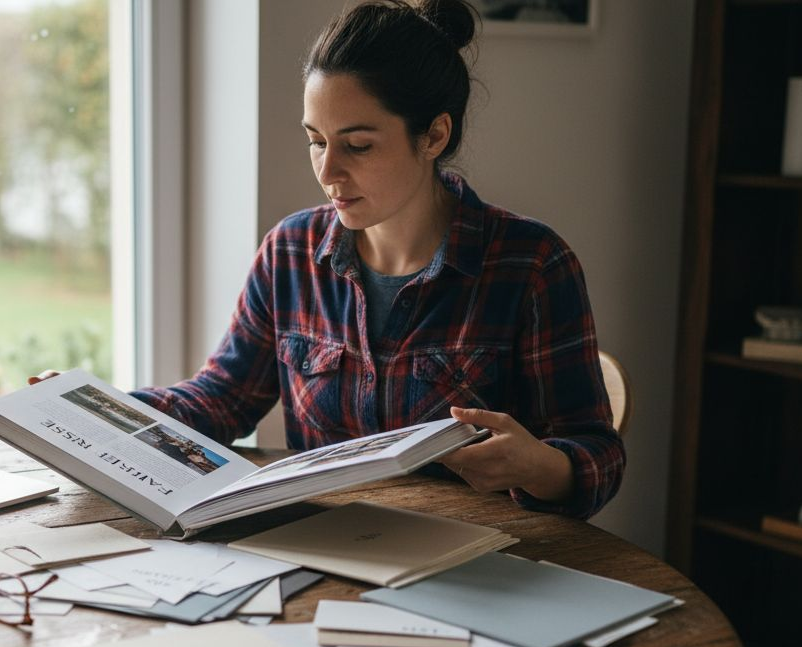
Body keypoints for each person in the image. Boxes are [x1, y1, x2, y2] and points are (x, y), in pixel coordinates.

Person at [35, 0, 623, 519]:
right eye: (317, 140)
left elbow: (596, 454)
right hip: (328, 553)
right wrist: (99, 411)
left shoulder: (531, 266)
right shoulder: (290, 254)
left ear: (434, 136)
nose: (327, 171)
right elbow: (220, 399)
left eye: (358, 146)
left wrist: (538, 466)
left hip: (481, 567)